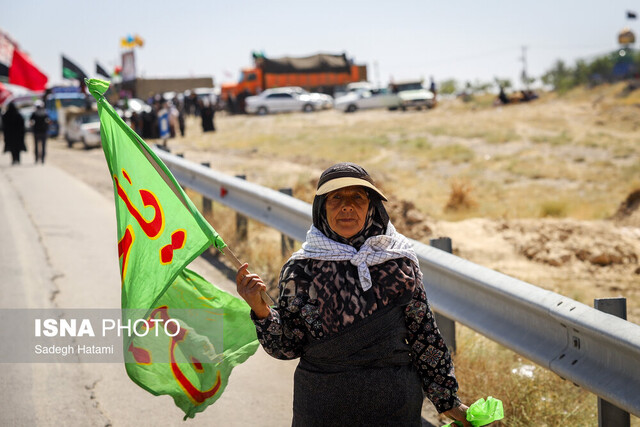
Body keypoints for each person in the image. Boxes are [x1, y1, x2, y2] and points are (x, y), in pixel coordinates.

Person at [236, 162, 472, 426]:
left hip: (394, 407)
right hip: (322, 408)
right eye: (336, 198)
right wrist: (260, 310)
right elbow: (287, 347)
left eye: (357, 197)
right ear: (322, 208)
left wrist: (448, 401)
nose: (347, 206)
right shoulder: (301, 269)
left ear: (371, 207)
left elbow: (424, 336)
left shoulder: (399, 262)